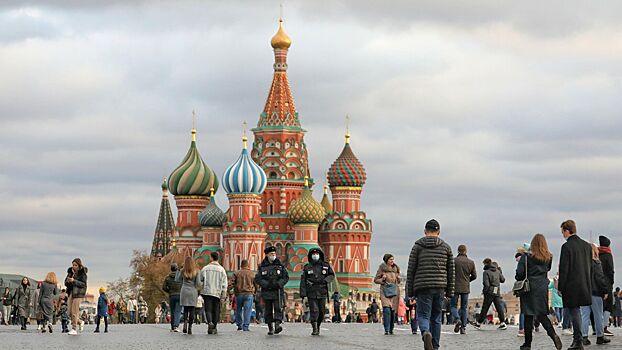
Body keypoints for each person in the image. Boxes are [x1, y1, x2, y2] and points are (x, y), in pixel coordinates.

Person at [406, 219, 455, 350]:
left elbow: (411, 270)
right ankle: (435, 346)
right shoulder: (446, 247)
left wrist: (409, 293)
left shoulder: (417, 247)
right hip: (440, 286)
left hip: (422, 287)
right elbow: (451, 271)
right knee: (436, 318)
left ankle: (425, 333)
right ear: (438, 231)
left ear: (425, 231)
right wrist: (450, 292)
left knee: (423, 315)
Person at [515, 233, 562, 350]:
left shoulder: (526, 257)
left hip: (529, 287)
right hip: (542, 288)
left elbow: (520, 273)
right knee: (541, 314)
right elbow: (548, 269)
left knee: (528, 315)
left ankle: (527, 344)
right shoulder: (548, 257)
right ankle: (553, 335)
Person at [558, 220, 593, 350]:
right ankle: (579, 339)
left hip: (571, 285)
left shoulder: (566, 247)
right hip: (584, 283)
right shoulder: (587, 246)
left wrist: (560, 287)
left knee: (574, 311)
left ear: (567, 231)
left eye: (563, 232)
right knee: (578, 311)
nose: (563, 235)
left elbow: (564, 268)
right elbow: (590, 267)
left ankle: (578, 340)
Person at [580, 244, 611, 345]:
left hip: (584, 292)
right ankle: (600, 336)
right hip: (595, 292)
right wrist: (605, 291)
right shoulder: (596, 262)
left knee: (584, 315)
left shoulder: (582, 264)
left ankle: (584, 337)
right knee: (598, 316)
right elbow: (600, 278)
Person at [300, 247, 335, 336]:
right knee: (314, 310)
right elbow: (303, 281)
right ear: (310, 256)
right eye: (313, 254)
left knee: (322, 312)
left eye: (317, 254)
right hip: (311, 291)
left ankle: (318, 324)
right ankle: (314, 328)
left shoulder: (325, 266)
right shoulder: (307, 267)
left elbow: (331, 275)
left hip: (322, 291)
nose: (315, 256)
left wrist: (326, 280)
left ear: (320, 255)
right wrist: (303, 293)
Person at [255, 246, 289, 335]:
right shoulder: (262, 266)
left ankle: (277, 325)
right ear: (267, 255)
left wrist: (279, 284)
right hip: (267, 291)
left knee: (278, 308)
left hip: (277, 291)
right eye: (271, 254)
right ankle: (270, 327)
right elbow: (258, 278)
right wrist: (266, 284)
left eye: (274, 254)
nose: (273, 255)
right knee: (268, 309)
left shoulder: (280, 265)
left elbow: (285, 277)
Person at [471, 259, 507, 330]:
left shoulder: (486, 272)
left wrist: (484, 291)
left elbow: (486, 284)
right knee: (499, 307)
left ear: (486, 264)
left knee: (485, 308)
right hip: (497, 291)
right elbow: (503, 280)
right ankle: (503, 323)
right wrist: (500, 271)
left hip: (489, 292)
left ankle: (478, 323)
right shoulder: (497, 271)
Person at [199, 251, 228, 335]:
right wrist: (223, 294)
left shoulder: (205, 268)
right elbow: (224, 284)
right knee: (216, 310)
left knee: (208, 309)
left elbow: (200, 281)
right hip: (217, 293)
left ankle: (210, 323)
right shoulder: (222, 270)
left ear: (211, 258)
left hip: (207, 292)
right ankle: (214, 327)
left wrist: (201, 289)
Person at [452, 244, 476, 334]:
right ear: (466, 251)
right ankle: (463, 328)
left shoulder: (453, 261)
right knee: (464, 307)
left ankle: (457, 319)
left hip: (454, 286)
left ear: (458, 251)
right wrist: (467, 280)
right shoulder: (471, 262)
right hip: (465, 287)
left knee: (453, 306)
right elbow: (475, 276)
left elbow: (449, 273)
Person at [374, 253, 401, 335]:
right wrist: (383, 279)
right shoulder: (382, 269)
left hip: (394, 292)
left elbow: (398, 282)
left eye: (393, 259)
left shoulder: (396, 269)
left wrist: (398, 279)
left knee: (393, 311)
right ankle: (386, 329)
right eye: (390, 259)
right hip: (385, 291)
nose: (392, 261)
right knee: (386, 310)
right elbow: (376, 280)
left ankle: (391, 328)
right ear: (386, 260)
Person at [177, 256, 201, 335]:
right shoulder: (197, 271)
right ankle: (190, 327)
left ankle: (184, 325)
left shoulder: (182, 271)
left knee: (185, 310)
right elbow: (198, 283)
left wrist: (179, 270)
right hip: (193, 291)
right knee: (192, 310)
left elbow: (177, 280)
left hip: (184, 291)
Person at [230, 259, 256, 331]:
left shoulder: (236, 273)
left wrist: (229, 290)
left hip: (239, 294)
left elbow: (231, 283)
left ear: (241, 265)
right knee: (247, 310)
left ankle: (239, 325)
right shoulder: (252, 273)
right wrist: (255, 291)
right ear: (248, 265)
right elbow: (256, 284)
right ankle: (246, 326)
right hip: (249, 294)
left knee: (238, 309)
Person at [64, 257, 88, 335]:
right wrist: (68, 281)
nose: (73, 266)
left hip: (79, 294)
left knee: (74, 311)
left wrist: (74, 281)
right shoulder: (70, 272)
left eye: (75, 265)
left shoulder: (82, 273)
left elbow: (83, 284)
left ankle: (74, 328)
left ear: (79, 265)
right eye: (73, 265)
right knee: (69, 312)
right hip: (71, 293)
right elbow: (65, 283)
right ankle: (80, 322)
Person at [598, 235, 615, 337]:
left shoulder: (597, 254)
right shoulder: (608, 255)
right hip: (607, 283)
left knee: (599, 306)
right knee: (608, 305)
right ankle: (604, 327)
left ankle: (597, 328)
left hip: (597, 283)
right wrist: (611, 282)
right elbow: (610, 271)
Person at [163, 262, 182, 332]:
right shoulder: (180, 277)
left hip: (171, 295)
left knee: (172, 311)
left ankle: (172, 326)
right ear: (177, 269)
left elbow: (164, 287)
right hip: (179, 295)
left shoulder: (167, 277)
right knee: (178, 311)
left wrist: (169, 291)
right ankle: (176, 326)